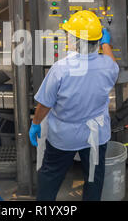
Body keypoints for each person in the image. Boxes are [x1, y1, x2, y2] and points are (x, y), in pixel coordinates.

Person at [29, 10, 120, 201]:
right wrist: (106, 43)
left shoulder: (61, 69)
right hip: (96, 134)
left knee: (50, 176)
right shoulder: (108, 66)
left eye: (69, 35)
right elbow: (111, 60)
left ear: (75, 40)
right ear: (96, 40)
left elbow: (45, 103)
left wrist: (36, 123)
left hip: (64, 136)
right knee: (94, 179)